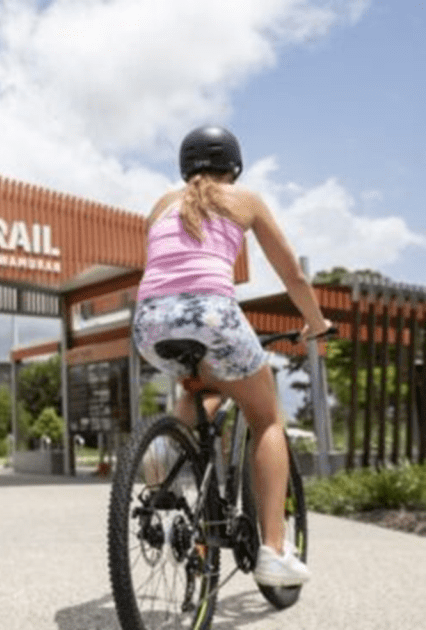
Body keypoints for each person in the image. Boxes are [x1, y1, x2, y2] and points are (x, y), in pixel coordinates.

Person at [132, 125, 332, 587]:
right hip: (213, 316)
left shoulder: (161, 205)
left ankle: (162, 466)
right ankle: (274, 550)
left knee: (201, 387)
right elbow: (294, 276)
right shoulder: (246, 200)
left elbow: (168, 272)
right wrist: (316, 322)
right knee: (267, 419)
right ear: (234, 166)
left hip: (149, 323)